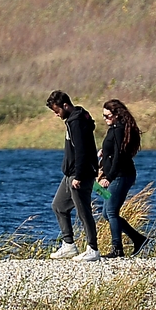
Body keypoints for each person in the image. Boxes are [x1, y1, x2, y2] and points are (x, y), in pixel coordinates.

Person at [46, 90, 100, 261]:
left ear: (65, 105)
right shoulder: (73, 119)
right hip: (70, 173)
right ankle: (69, 245)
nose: (56, 115)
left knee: (83, 212)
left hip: (79, 174)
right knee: (59, 206)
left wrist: (79, 176)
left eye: (57, 111)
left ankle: (93, 249)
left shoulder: (77, 121)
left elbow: (81, 150)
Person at [96, 98, 149, 257]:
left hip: (120, 176)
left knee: (111, 212)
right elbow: (114, 150)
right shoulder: (114, 128)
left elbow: (120, 156)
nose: (105, 119)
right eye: (103, 116)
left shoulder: (119, 130)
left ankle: (117, 249)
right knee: (106, 213)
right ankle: (139, 239)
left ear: (117, 115)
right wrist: (104, 152)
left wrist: (109, 177)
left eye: (108, 116)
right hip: (115, 175)